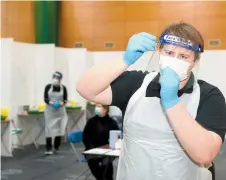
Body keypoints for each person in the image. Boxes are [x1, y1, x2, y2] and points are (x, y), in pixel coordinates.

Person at [76, 22, 226, 180]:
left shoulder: (208, 95)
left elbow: (205, 154)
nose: (174, 60)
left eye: (183, 56)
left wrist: (171, 101)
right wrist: (125, 59)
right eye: (169, 52)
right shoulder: (137, 84)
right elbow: (86, 88)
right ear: (159, 52)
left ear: (194, 62)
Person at [83, 104, 119, 180]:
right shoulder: (91, 121)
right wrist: (91, 148)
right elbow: (85, 137)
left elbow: (117, 137)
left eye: (99, 106)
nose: (96, 108)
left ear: (105, 109)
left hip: (108, 150)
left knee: (106, 163)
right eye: (96, 106)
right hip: (92, 150)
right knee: (92, 162)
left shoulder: (112, 122)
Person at [44, 71, 68, 155]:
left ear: (60, 79)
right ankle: (48, 148)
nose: (55, 79)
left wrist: (60, 104)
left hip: (60, 111)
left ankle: (57, 146)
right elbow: (46, 99)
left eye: (57, 78)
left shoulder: (63, 88)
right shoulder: (48, 87)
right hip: (50, 112)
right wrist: (52, 103)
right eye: (54, 77)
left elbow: (65, 100)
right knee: (49, 130)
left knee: (59, 129)